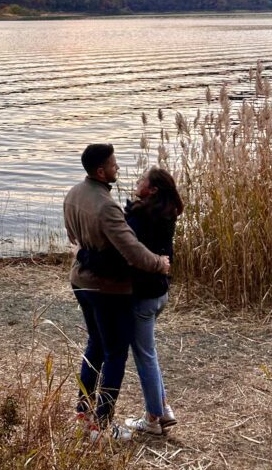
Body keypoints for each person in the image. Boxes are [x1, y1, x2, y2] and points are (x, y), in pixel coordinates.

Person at [64, 143, 170, 441]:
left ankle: (83, 413)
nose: (118, 168)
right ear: (101, 171)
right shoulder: (106, 205)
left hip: (80, 282)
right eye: (113, 165)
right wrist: (159, 264)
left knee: (95, 345)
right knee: (115, 354)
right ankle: (101, 423)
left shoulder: (73, 193)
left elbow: (73, 237)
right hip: (106, 289)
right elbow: (132, 251)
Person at [122, 168, 183, 436]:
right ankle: (163, 408)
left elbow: (128, 249)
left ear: (153, 189)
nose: (137, 182)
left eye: (142, 180)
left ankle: (151, 419)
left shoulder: (140, 216)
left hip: (144, 295)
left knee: (144, 356)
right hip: (160, 292)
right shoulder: (167, 213)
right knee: (149, 353)